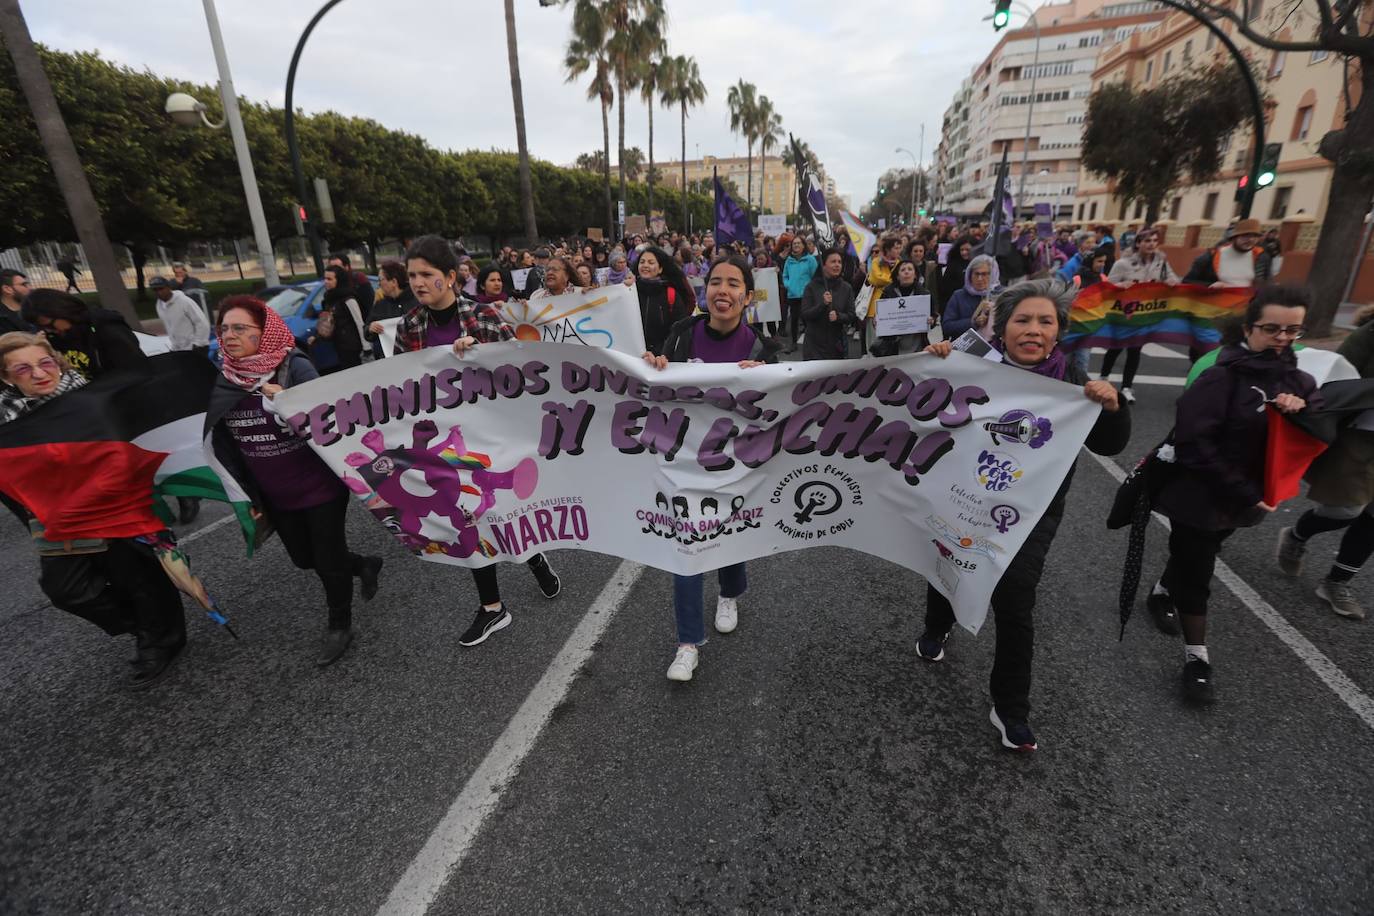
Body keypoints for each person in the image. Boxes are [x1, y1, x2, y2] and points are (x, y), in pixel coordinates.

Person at [918, 279, 1131, 751]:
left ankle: (1011, 708)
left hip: (1031, 513)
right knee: (948, 562)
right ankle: (937, 625)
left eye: (1045, 321)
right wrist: (932, 358)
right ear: (1002, 326)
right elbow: (922, 400)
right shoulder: (972, 362)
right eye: (1022, 320)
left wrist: (1112, 407)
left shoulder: (1073, 384)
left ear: (1058, 332)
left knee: (1016, 601)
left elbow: (1109, 445)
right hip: (962, 496)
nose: (1033, 330)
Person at [1147, 285, 1318, 703]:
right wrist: (1243, 490)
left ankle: (1160, 591)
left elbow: (1311, 434)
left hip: (1249, 499)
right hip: (1200, 494)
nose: (1282, 337)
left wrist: (1301, 410)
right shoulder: (1220, 376)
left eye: (1292, 330)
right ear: (1248, 328)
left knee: (1199, 554)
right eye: (1272, 328)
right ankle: (1197, 660)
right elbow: (1193, 445)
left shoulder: (1301, 380)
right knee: (1198, 572)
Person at [391, 236, 561, 646]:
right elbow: (396, 385)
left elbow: (518, 374)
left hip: (490, 436)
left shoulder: (482, 317)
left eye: (427, 275)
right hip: (443, 445)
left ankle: (534, 556)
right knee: (467, 517)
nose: (417, 282)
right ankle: (492, 608)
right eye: (412, 275)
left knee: (501, 511)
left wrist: (481, 352)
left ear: (450, 277)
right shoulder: (410, 325)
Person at [0, 332, 186, 687]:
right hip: (54, 517)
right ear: (7, 377)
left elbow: (128, 455)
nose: (39, 374)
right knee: (66, 590)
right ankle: (146, 624)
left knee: (138, 579)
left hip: (113, 507)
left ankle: (159, 640)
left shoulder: (91, 401)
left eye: (46, 363)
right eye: (23, 369)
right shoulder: (6, 421)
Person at [205, 296, 384, 666]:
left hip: (319, 487)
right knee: (305, 559)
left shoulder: (294, 366)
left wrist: (289, 400)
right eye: (224, 328)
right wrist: (242, 490)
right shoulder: (225, 377)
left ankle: (340, 624)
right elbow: (220, 438)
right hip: (273, 492)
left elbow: (328, 415)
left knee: (327, 558)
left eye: (240, 328)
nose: (229, 335)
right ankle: (363, 564)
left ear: (264, 331)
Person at [645, 256, 779, 682]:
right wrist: (656, 365)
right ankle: (687, 643)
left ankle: (730, 592)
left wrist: (767, 380)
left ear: (747, 295)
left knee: (729, 530)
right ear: (705, 292)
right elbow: (657, 389)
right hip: (683, 460)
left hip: (734, 463)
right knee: (685, 548)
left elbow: (779, 411)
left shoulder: (761, 349)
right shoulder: (683, 333)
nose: (723, 291)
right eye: (715, 282)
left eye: (733, 284)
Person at [1275, 304, 1374, 620]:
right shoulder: (1368, 336)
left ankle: (1336, 582)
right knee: (1346, 509)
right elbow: (1334, 383)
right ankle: (1297, 535)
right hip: (1360, 434)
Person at [23, 289, 146, 380]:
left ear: (61, 312)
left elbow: (135, 370)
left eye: (50, 325)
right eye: (42, 327)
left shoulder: (106, 327)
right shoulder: (56, 337)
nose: (48, 331)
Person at [626, 246, 694, 356]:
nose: (645, 265)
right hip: (632, 358)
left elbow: (679, 331)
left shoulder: (671, 295)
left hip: (661, 361)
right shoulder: (628, 291)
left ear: (660, 268)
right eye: (642, 262)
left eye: (651, 262)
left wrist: (661, 354)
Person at [800, 248, 858, 360]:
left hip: (836, 344)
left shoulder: (846, 288)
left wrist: (839, 316)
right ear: (824, 265)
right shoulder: (811, 287)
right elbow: (805, 314)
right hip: (814, 345)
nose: (837, 265)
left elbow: (851, 315)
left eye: (839, 262)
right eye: (833, 261)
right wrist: (822, 304)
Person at [871, 259, 937, 355]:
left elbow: (933, 317)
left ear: (915, 275)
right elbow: (879, 317)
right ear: (897, 276)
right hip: (892, 346)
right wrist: (876, 321)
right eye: (903, 270)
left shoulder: (925, 294)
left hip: (917, 345)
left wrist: (932, 321)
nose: (906, 272)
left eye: (910, 269)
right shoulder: (888, 292)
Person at [1183, 218, 1271, 287]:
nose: (1251, 240)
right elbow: (1187, 282)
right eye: (1246, 236)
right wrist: (1210, 285)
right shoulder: (1210, 257)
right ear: (1234, 237)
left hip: (1247, 306)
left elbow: (1266, 284)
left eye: (1255, 236)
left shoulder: (1262, 257)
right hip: (1214, 306)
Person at [313, 265, 367, 372]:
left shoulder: (349, 299)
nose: (326, 282)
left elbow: (359, 322)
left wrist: (366, 347)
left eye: (329, 279)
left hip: (353, 347)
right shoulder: (329, 298)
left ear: (339, 280)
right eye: (325, 278)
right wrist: (318, 337)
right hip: (339, 345)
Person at [940, 255, 1000, 342]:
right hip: (965, 347)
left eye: (984, 274)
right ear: (969, 275)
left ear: (993, 275)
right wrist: (973, 322)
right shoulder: (959, 296)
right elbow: (947, 326)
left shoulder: (1002, 295)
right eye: (976, 274)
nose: (980, 279)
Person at [365, 261, 415, 359]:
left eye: (381, 280)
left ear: (394, 282)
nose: (378, 284)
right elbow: (366, 330)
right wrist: (370, 328)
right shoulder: (380, 305)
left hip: (416, 356)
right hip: (389, 360)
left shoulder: (416, 300)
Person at [149, 276, 211, 354]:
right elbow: (169, 327)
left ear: (168, 287)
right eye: (155, 290)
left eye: (161, 289)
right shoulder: (159, 306)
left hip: (196, 347)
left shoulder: (184, 301)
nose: (159, 292)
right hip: (179, 349)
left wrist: (198, 343)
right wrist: (174, 347)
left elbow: (201, 322)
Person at [781, 236, 818, 350]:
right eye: (794, 244)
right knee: (794, 320)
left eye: (798, 243)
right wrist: (788, 285)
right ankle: (793, 344)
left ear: (803, 245)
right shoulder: (789, 260)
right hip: (793, 295)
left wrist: (810, 289)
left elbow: (815, 276)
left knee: (808, 320)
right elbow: (785, 276)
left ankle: (812, 344)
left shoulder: (810, 259)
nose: (796, 245)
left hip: (806, 296)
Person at [327, 252, 375, 320]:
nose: (333, 271)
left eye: (337, 268)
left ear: (346, 267)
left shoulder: (358, 279)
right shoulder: (331, 284)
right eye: (331, 268)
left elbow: (370, 307)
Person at [938, 236, 975, 304]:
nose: (964, 252)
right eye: (962, 250)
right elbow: (945, 288)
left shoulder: (978, 264)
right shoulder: (953, 265)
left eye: (967, 250)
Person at [0, 269, 34, 335]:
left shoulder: (37, 307)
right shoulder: (3, 321)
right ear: (7, 289)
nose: (30, 288)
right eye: (24, 285)